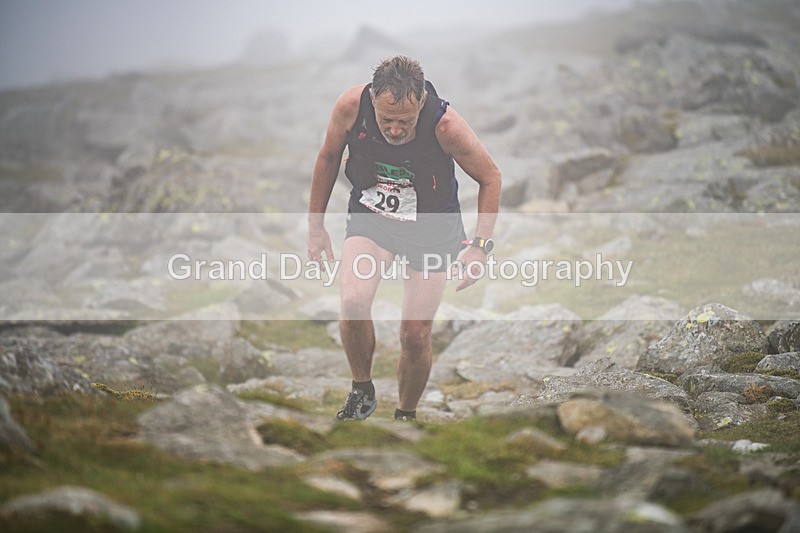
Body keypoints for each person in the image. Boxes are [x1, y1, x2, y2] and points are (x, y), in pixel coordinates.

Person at [307, 55, 501, 422]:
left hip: (431, 228)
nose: (395, 131)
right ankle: (362, 390)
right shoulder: (350, 107)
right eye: (386, 120)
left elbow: (491, 177)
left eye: (405, 122)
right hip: (373, 217)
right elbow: (329, 157)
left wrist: (480, 247)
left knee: (414, 334)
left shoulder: (446, 125)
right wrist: (315, 228)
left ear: (422, 103)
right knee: (353, 301)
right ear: (373, 99)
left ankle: (405, 417)